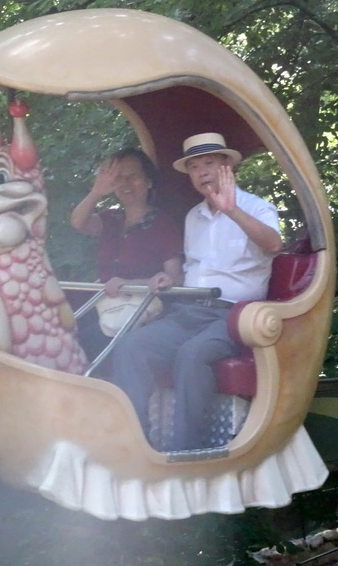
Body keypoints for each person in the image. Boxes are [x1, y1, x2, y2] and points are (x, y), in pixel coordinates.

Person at [111, 132, 282, 451]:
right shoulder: (193, 217)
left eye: (209, 163)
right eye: (194, 167)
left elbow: (274, 244)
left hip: (233, 316)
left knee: (193, 354)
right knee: (131, 346)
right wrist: (166, 279)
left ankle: (186, 451)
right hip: (188, 310)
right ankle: (135, 444)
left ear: (227, 166)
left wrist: (232, 211)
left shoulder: (256, 208)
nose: (202, 172)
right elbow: (190, 271)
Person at [70, 148, 183, 360]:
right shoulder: (111, 219)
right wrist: (97, 191)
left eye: (133, 177)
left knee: (82, 347)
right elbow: (78, 222)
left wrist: (129, 283)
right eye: (119, 178)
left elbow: (175, 278)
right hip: (103, 307)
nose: (126, 184)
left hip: (139, 314)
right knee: (62, 337)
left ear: (149, 182)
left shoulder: (163, 224)